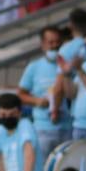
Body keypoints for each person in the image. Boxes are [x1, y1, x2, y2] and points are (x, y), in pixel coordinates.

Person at [17, 26, 71, 162]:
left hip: (68, 126)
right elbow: (21, 94)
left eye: (58, 42)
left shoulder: (69, 65)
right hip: (43, 129)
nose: (55, 46)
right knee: (44, 169)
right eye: (50, 42)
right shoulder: (34, 67)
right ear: (43, 45)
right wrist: (36, 101)